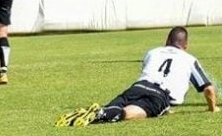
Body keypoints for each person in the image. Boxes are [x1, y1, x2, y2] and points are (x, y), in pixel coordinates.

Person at [56, 26, 219, 127]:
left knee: (116, 106)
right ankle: (102, 114)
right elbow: (209, 90)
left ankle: (95, 112)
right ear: (186, 45)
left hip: (137, 87)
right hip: (160, 95)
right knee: (132, 113)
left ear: (167, 40)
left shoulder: (152, 52)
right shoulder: (189, 59)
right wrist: (213, 109)